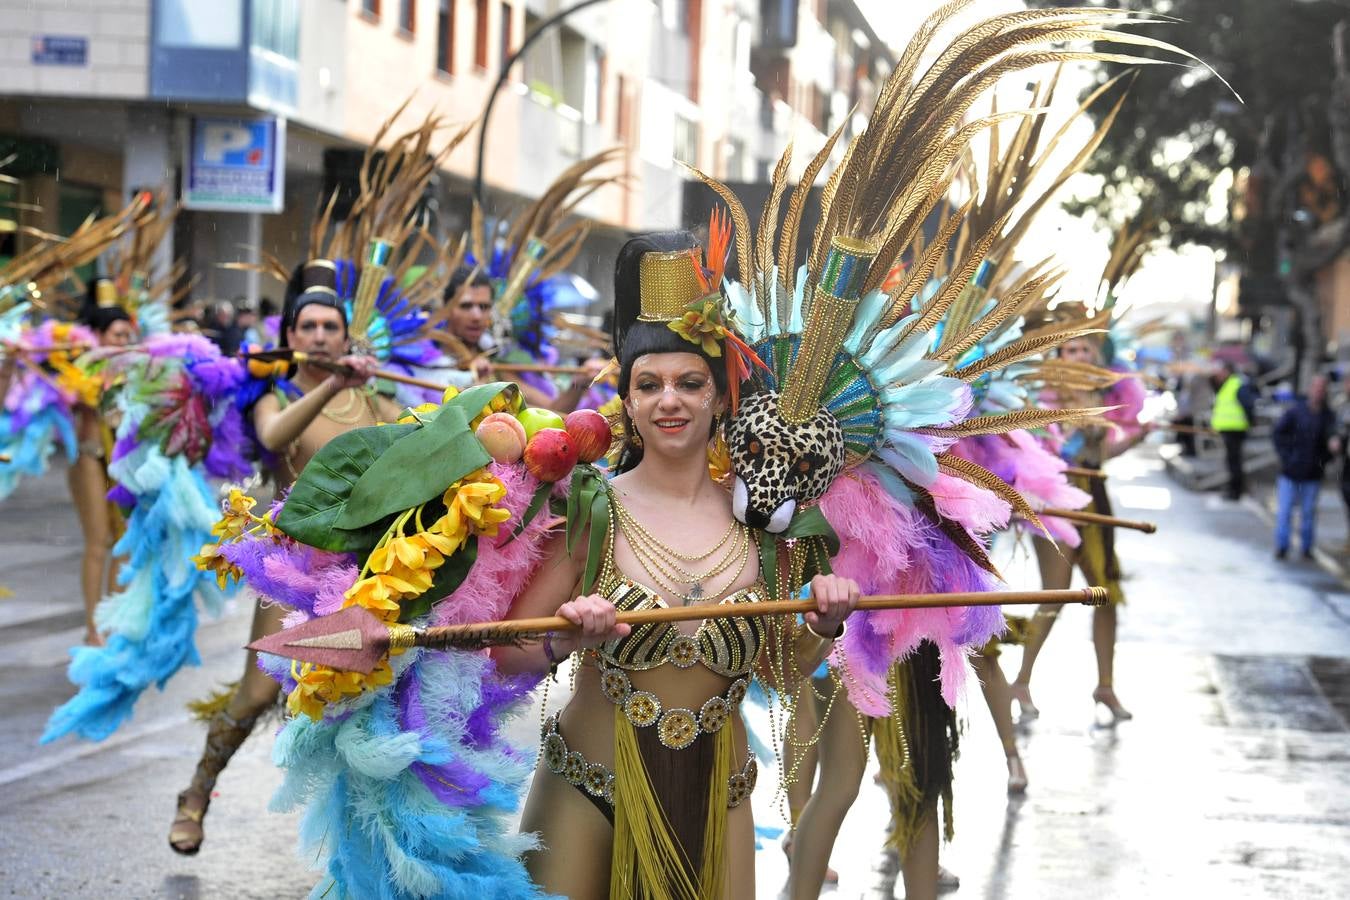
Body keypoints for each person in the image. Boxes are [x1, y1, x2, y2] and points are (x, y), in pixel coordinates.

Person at [492, 234, 860, 898]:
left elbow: (778, 668)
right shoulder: (590, 508)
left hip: (717, 799)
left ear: (720, 398)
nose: (670, 400)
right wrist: (563, 637)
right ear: (627, 402)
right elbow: (504, 653)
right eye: (649, 384)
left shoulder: (766, 527)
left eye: (690, 383)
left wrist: (823, 622)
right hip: (586, 790)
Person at [168, 260, 401, 855]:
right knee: (255, 694)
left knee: (371, 703)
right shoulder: (274, 395)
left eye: (331, 327)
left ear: (347, 337)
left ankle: (372, 851)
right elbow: (274, 442)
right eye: (309, 327)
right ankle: (196, 793)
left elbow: (425, 456)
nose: (320, 337)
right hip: (293, 571)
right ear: (290, 336)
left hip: (364, 573)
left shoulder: (378, 402)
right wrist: (331, 385)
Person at [1010, 334, 1153, 725]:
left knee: (1106, 593)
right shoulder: (1043, 401)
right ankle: (1021, 681)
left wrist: (1138, 437)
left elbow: (1101, 455)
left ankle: (1105, 685)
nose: (1080, 355)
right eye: (1072, 350)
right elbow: (1032, 458)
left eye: (1087, 349)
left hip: (1096, 498)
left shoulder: (1100, 399)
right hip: (1056, 501)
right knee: (1055, 595)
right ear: (1059, 357)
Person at [67, 293, 138, 646]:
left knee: (124, 543)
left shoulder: (136, 372)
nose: (123, 342)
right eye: (116, 335)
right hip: (89, 458)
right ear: (97, 336)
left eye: (128, 336)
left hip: (124, 463)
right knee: (98, 543)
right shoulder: (79, 372)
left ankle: (111, 622)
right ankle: (93, 629)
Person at [444, 266, 608, 412]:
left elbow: (551, 412)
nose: (477, 316)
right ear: (446, 308)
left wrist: (578, 384)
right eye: (466, 306)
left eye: (484, 307)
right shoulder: (421, 363)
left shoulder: (495, 364)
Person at [1272, 374, 1335, 560]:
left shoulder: (1328, 416)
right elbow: (1278, 434)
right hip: (1290, 472)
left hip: (1313, 474)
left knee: (1308, 515)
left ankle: (1306, 548)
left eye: (1322, 388)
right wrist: (1287, 457)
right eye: (1315, 387)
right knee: (1284, 513)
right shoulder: (1295, 412)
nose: (1318, 392)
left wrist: (1324, 461)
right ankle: (1282, 547)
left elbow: (1333, 443)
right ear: (1309, 389)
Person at [1211, 359, 1257, 501]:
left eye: (1222, 371)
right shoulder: (1228, 384)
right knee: (1232, 462)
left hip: (1234, 429)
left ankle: (1235, 491)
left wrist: (1250, 422)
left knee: (1234, 462)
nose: (1219, 374)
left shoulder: (1236, 384)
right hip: (1229, 429)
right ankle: (1233, 489)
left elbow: (1248, 405)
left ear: (1228, 371)